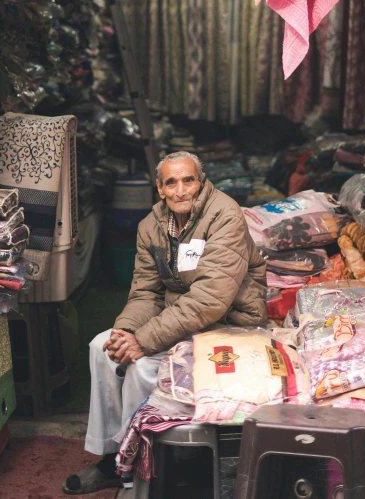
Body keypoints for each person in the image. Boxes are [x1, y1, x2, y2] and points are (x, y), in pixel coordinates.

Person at [63, 151, 267, 495]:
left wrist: (143, 341)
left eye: (188, 180)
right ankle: (112, 459)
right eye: (171, 182)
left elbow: (210, 300)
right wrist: (126, 330)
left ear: (200, 183)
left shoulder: (224, 215)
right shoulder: (151, 226)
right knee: (103, 346)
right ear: (160, 189)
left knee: (142, 365)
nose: (181, 189)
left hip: (230, 323)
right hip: (183, 320)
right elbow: (146, 292)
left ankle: (144, 463)